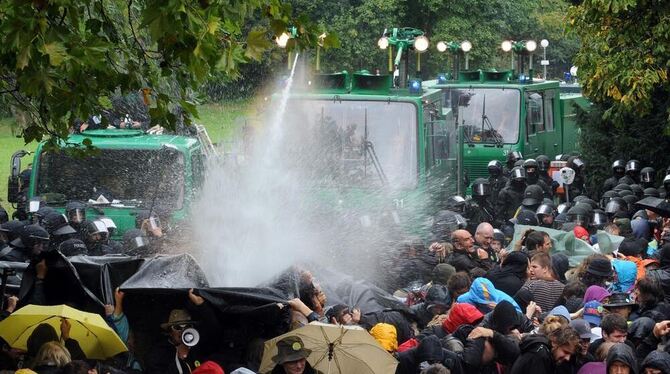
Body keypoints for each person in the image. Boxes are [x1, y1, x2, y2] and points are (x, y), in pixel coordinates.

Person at [144, 289, 223, 374]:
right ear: (170, 332)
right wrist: (179, 359)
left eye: (187, 326)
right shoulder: (158, 353)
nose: (183, 331)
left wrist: (202, 305)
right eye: (177, 327)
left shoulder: (197, 347)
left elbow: (215, 333)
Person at [509, 325, 580, 374]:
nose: (568, 358)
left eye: (570, 354)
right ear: (554, 342)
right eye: (565, 352)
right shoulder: (539, 356)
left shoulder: (546, 354)